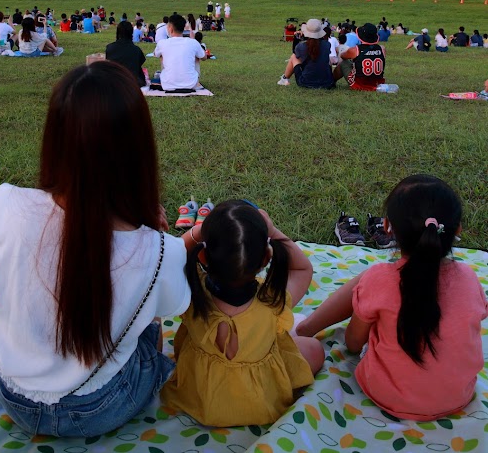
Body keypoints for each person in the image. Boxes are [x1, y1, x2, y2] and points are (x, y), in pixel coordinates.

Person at [0, 61, 191, 437]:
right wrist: (149, 239)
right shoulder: (160, 253)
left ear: (54, 138)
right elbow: (172, 307)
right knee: (148, 325)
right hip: (99, 408)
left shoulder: (5, 204)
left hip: (13, 396)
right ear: (138, 149)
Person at [295, 175, 488, 421]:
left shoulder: (379, 278)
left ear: (387, 227)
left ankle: (305, 328)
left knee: (370, 282)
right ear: (458, 228)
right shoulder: (469, 277)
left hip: (387, 394)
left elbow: (353, 344)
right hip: (458, 396)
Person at [161, 200, 324, 426]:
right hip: (261, 402)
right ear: (266, 258)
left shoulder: (191, 292)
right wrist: (273, 231)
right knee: (314, 348)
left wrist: (198, 232)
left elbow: (169, 259)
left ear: (203, 256)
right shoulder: (273, 301)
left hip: (200, 398)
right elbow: (302, 268)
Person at [153, 13, 205, 91]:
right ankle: (191, 81)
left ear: (170, 28)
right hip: (191, 84)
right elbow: (204, 57)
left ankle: (171, 78)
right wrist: (194, 40)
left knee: (161, 55)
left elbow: (155, 54)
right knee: (197, 55)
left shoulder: (162, 43)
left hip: (167, 84)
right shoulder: (193, 42)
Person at [278, 19, 334, 89]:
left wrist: (297, 39)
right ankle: (328, 77)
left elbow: (296, 53)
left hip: (305, 82)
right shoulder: (327, 44)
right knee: (327, 59)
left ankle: (285, 78)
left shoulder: (301, 46)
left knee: (294, 57)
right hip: (327, 83)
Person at [335, 23, 385, 90]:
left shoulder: (355, 50)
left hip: (359, 84)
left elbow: (343, 56)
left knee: (343, 63)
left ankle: (331, 81)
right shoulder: (382, 49)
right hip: (378, 83)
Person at [105, 21, 147, 87]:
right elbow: (139, 63)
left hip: (114, 81)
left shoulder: (110, 48)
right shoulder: (136, 50)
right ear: (131, 33)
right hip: (133, 82)